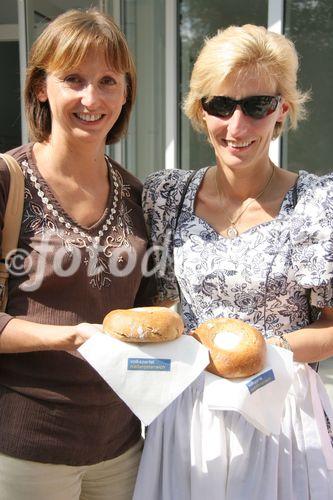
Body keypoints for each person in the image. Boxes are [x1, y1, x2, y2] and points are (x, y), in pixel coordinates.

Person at [133, 24, 333, 499]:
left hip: (281, 415)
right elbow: (158, 304)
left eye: (256, 106)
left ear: (282, 109)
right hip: (187, 414)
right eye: (221, 105)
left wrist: (262, 349)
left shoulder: (318, 204)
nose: (237, 127)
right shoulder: (167, 196)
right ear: (200, 111)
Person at [0, 9, 155, 500]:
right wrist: (69, 336)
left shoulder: (135, 195)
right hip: (26, 451)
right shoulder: (8, 182)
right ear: (42, 87)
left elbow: (148, 309)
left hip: (122, 447)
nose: (92, 99)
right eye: (73, 79)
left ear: (126, 92)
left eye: (108, 80)